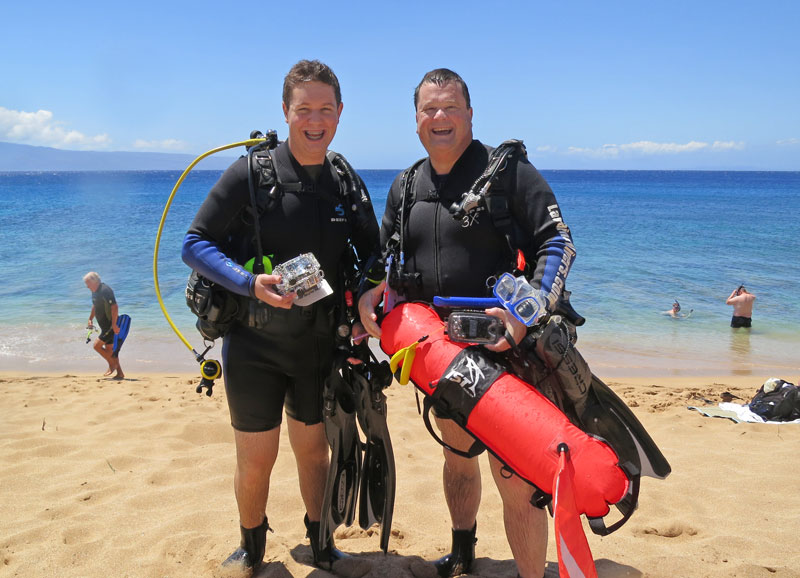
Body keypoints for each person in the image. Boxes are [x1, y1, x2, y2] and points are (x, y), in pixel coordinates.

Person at [357, 68, 575, 578]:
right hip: (439, 351)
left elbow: (558, 242)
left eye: (450, 107)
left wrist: (524, 317)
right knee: (457, 456)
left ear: (470, 115)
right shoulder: (406, 185)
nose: (440, 118)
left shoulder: (510, 174)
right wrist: (370, 295)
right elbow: (382, 261)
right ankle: (463, 553)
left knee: (515, 477)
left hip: (508, 352)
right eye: (429, 109)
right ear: (415, 121)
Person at [182, 60, 379, 573]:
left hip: (317, 346)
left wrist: (365, 303)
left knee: (314, 452)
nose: (315, 120)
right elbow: (194, 243)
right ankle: (251, 547)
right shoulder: (252, 174)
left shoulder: (344, 181)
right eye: (304, 109)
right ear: (286, 112)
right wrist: (251, 284)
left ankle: (320, 546)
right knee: (257, 457)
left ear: (339, 114)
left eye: (325, 109)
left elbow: (376, 257)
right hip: (254, 345)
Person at [83, 271, 124, 379]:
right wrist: (90, 318)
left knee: (97, 345)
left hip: (111, 326)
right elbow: (95, 305)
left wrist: (115, 325)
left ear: (94, 281)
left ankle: (112, 364)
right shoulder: (95, 291)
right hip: (104, 327)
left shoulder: (105, 290)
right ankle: (120, 373)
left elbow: (114, 307)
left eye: (88, 283)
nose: (87, 287)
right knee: (110, 351)